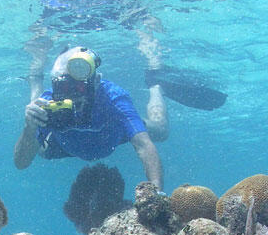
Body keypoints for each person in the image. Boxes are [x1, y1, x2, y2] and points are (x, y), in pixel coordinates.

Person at [13, 45, 165, 190]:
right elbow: (21, 163)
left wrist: (157, 193)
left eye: (79, 87)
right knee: (38, 142)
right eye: (64, 88)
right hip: (63, 146)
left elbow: (144, 145)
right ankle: (35, 83)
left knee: (161, 130)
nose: (72, 96)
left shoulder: (113, 98)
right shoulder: (48, 103)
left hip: (115, 136)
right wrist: (29, 128)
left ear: (97, 81)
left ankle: (155, 86)